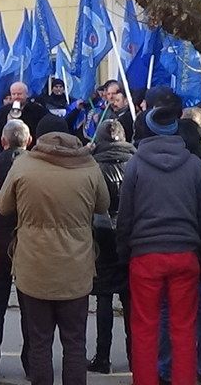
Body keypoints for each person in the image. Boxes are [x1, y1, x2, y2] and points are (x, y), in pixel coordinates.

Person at [0, 114, 109, 385]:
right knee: (75, 343)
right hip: (76, 265)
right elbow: (103, 205)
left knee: (39, 343)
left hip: (33, 265)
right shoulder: (89, 166)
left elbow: (3, 206)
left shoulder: (23, 166)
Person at [116, 90, 201, 385]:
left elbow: (125, 218)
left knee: (145, 328)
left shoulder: (135, 165)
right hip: (186, 254)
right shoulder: (195, 165)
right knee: (184, 329)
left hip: (145, 256)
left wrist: (124, 257)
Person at [0, 119, 32, 380]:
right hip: (27, 242)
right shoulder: (36, 168)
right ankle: (32, 362)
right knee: (30, 305)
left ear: (3, 141)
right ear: (28, 141)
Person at [88, 119, 135, 375]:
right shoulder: (135, 163)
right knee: (129, 297)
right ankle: (133, 354)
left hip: (102, 232)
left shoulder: (94, 165)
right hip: (129, 234)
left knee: (104, 297)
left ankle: (103, 356)